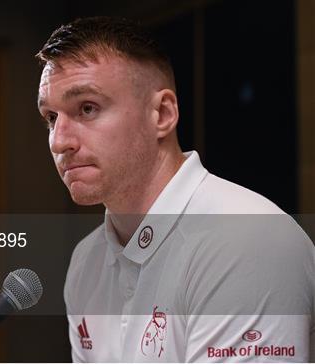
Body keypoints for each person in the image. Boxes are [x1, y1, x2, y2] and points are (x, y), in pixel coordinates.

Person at [35, 17, 315, 362]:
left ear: (163, 114)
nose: (60, 141)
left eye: (88, 108)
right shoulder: (86, 261)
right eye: (51, 118)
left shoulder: (247, 236)